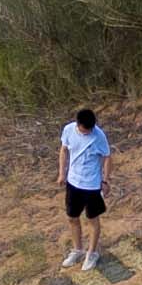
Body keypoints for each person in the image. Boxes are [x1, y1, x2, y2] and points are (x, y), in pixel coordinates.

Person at [60, 107, 110, 268]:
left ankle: (92, 253)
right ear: (78, 124)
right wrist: (62, 173)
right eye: (85, 129)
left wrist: (105, 180)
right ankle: (77, 250)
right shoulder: (68, 130)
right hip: (73, 182)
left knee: (92, 220)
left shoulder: (99, 136)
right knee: (72, 217)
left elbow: (107, 157)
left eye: (90, 129)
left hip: (92, 185)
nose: (88, 132)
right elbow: (64, 150)